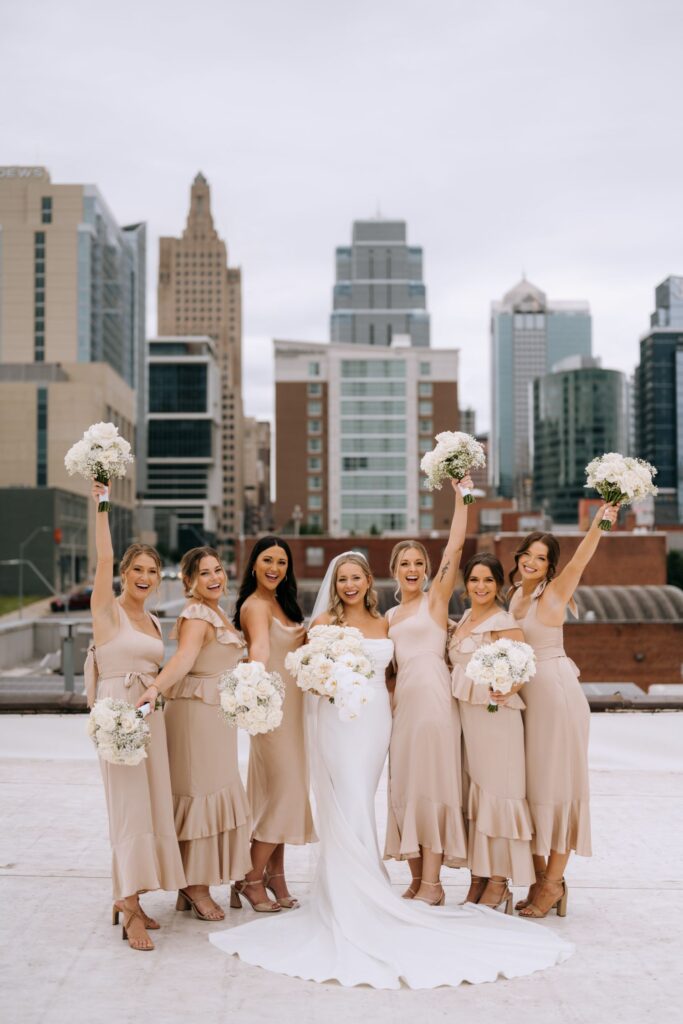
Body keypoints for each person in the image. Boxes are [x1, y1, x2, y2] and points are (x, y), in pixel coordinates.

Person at [208, 552, 573, 989]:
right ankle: (351, 889)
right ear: (336, 583)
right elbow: (303, 673)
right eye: (342, 578)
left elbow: (394, 673)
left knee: (364, 795)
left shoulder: (387, 624)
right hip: (338, 721)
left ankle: (373, 881)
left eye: (356, 577)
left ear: (368, 581)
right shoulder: (322, 623)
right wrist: (325, 684)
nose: (349, 584)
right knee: (348, 797)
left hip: (378, 719)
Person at [86, 481, 185, 951]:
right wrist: (102, 504)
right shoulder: (107, 612)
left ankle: (130, 897)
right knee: (126, 812)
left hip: (150, 719)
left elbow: (158, 668)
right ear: (123, 573)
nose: (145, 577)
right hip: (117, 715)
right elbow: (102, 559)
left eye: (152, 571)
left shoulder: (154, 621)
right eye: (137, 569)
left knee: (147, 808)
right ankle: (128, 907)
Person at [507, 504, 619, 918]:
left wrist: (598, 524)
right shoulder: (515, 594)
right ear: (518, 557)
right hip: (526, 699)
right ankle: (543, 879)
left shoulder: (553, 593)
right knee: (533, 788)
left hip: (555, 696)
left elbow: (581, 560)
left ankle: (551, 885)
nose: (533, 562)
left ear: (551, 567)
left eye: (542, 558)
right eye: (528, 555)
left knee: (556, 788)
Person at [137, 547, 251, 922]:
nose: (214, 578)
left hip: (215, 716)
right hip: (196, 717)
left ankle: (192, 884)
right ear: (189, 581)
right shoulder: (198, 614)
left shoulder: (217, 612)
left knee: (213, 790)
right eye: (204, 573)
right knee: (200, 794)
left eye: (218, 570)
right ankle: (196, 886)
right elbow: (183, 660)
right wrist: (155, 689)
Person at [384, 479, 471, 904]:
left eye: (419, 562)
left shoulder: (435, 600)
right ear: (395, 570)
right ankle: (417, 879)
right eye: (405, 563)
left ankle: (434, 884)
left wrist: (461, 496)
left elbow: (455, 547)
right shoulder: (389, 614)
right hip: (403, 708)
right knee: (406, 784)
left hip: (435, 697)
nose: (413, 568)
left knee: (433, 783)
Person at [231, 536, 315, 912]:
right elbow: (260, 649)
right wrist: (256, 677)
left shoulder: (283, 602)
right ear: (254, 564)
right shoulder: (254, 606)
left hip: (295, 713)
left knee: (276, 795)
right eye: (268, 560)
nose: (275, 568)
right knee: (284, 793)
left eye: (282, 562)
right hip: (271, 712)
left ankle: (275, 877)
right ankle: (249, 878)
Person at [448, 553, 535, 912]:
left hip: (496, 719)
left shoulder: (504, 621)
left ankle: (499, 881)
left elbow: (524, 665)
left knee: (499, 794)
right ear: (466, 585)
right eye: (474, 580)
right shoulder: (465, 618)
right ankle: (477, 877)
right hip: (468, 720)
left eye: (487, 580)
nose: (480, 586)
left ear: (498, 584)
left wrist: (509, 687)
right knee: (477, 796)